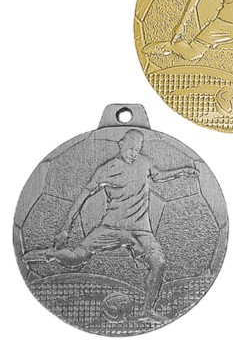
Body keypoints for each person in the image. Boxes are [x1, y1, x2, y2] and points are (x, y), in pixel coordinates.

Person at [23, 129, 199, 321]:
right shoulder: (107, 169)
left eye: (138, 149)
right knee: (76, 259)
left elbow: (159, 176)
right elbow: (82, 197)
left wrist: (183, 171)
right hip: (112, 228)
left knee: (159, 263)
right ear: (121, 144)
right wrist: (65, 228)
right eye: (131, 148)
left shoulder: (144, 162)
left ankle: (147, 311)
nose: (134, 153)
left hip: (140, 231)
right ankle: (51, 254)